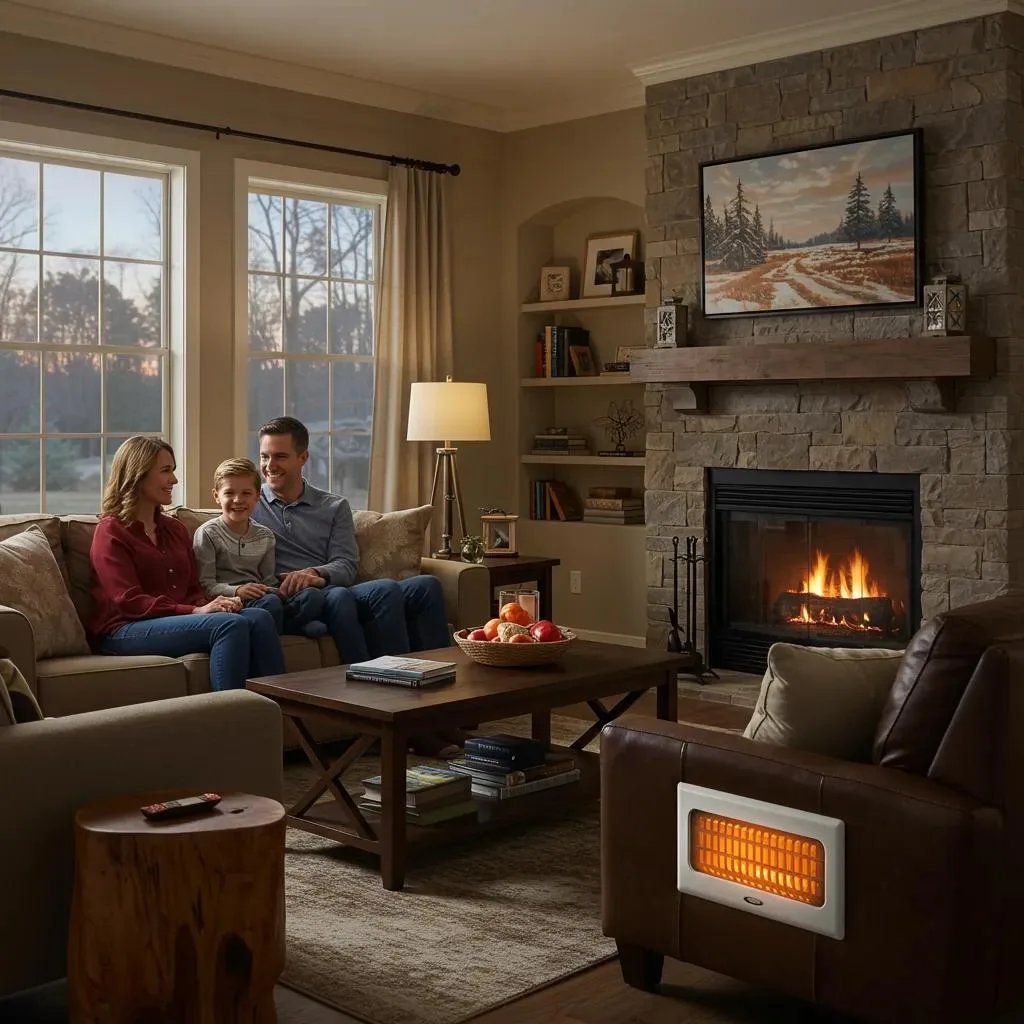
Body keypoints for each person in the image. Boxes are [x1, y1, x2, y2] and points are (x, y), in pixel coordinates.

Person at [89, 436, 286, 691]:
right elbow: (128, 600)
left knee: (259, 617)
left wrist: (216, 604)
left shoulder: (174, 529)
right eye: (165, 471)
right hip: (124, 629)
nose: (174, 480)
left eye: (173, 471)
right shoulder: (111, 531)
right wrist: (194, 612)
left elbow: (193, 588)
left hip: (174, 620)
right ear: (139, 475)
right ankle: (231, 718)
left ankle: (279, 713)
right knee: (230, 625)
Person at [251, 416, 450, 664]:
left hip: (334, 587)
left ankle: (441, 673)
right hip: (302, 600)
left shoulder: (333, 506)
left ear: (303, 458)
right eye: (264, 456)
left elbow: (346, 564)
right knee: (384, 589)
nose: (270, 465)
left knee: (426, 585)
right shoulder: (250, 504)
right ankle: (397, 675)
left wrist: (315, 572)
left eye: (280, 456)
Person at [193, 456, 329, 639]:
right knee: (270, 604)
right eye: (229, 493)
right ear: (217, 496)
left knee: (312, 596)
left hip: (262, 596)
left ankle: (289, 622)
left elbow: (268, 581)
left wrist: (283, 590)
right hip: (232, 601)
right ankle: (293, 625)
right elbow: (206, 585)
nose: (238, 500)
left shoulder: (265, 536)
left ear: (257, 496)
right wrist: (237, 590)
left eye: (246, 493)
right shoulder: (208, 533)